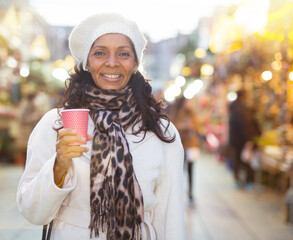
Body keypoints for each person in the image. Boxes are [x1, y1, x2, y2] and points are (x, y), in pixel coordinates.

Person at [16, 13, 184, 240]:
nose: (112, 62)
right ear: (86, 62)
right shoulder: (56, 123)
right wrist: (58, 167)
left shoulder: (159, 130)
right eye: (100, 53)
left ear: (135, 63)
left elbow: (170, 217)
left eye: (123, 53)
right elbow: (31, 211)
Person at [170, 96, 200, 204]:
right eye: (187, 102)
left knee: (191, 170)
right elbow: (172, 126)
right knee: (179, 170)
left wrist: (191, 125)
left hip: (190, 145)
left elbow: (197, 127)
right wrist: (184, 126)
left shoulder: (192, 113)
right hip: (179, 146)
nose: (188, 104)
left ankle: (191, 194)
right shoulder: (176, 112)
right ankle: (177, 193)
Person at [228, 89, 260, 189]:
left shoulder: (233, 108)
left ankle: (237, 180)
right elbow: (247, 125)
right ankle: (248, 182)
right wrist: (249, 139)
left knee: (237, 161)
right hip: (243, 140)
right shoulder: (243, 110)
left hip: (234, 140)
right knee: (247, 162)